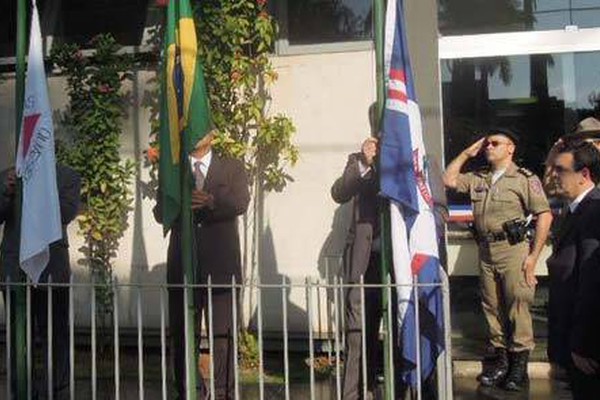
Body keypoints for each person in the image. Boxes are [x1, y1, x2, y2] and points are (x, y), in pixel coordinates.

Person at [443, 128, 552, 391]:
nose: (488, 147)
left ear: (510, 148)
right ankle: (501, 363)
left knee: (517, 306)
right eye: (487, 143)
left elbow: (545, 215)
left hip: (513, 250)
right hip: (486, 250)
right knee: (491, 307)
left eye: (495, 143)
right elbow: (448, 180)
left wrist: (533, 257)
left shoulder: (524, 178)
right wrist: (467, 153)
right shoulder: (479, 178)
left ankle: (518, 368)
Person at [154, 130, 250, 399]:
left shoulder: (231, 167)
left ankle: (223, 392)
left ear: (213, 136)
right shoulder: (174, 170)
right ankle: (189, 389)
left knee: (223, 337)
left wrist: (212, 201)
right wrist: (176, 201)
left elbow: (241, 202)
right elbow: (160, 212)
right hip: (183, 264)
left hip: (221, 265)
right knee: (184, 335)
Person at [0, 164, 81, 400]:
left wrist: (41, 190)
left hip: (51, 266)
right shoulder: (8, 176)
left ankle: (56, 389)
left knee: (55, 331)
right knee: (18, 332)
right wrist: (7, 191)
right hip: (15, 265)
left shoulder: (67, 176)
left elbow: (66, 212)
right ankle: (20, 389)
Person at [545, 140, 600, 399]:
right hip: (570, 337)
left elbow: (591, 284)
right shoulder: (572, 209)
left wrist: (582, 344)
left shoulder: (593, 212)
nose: (554, 175)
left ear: (584, 175)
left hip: (586, 347)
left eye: (561, 170)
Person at [331, 134, 382, 400]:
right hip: (365, 256)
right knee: (358, 326)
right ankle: (354, 392)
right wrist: (365, 162)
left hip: (397, 259)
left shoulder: (409, 157)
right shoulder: (358, 160)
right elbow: (339, 193)